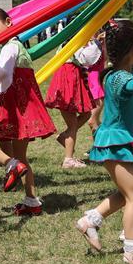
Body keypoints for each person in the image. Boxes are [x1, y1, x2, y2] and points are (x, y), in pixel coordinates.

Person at [74, 20, 133, 264]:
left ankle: (91, 220)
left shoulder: (125, 67)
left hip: (117, 140)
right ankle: (132, 252)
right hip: (114, 141)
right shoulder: (118, 77)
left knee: (127, 191)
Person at [0, 7, 56, 213]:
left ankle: (10, 164)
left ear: (8, 22)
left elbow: (3, 71)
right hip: (22, 108)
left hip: (11, 105)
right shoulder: (4, 47)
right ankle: (32, 201)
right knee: (22, 157)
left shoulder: (11, 45)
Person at [45, 40, 98, 169]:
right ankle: (68, 159)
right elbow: (85, 59)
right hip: (68, 78)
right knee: (72, 123)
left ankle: (65, 137)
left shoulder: (73, 42)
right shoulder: (73, 43)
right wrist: (93, 44)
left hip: (73, 76)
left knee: (86, 114)